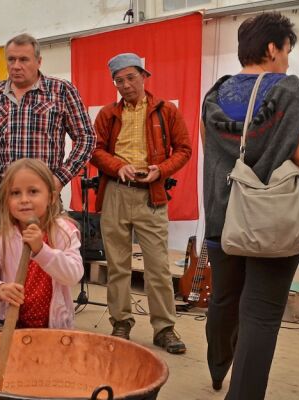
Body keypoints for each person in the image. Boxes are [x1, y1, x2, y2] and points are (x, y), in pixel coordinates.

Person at [201, 13, 299, 398]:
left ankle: (217, 366)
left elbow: (216, 153)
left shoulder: (214, 93)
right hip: (272, 219)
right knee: (261, 315)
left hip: (224, 218)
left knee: (224, 299)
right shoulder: (286, 88)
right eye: (287, 50)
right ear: (272, 48)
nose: (288, 59)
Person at [90, 53, 191, 354]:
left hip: (151, 194)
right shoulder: (107, 115)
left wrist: (162, 170)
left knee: (158, 266)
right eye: (119, 80)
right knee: (118, 265)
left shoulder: (166, 111)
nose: (125, 84)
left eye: (131, 77)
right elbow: (94, 149)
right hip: (116, 194)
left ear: (144, 76)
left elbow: (184, 148)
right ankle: (121, 322)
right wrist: (115, 166)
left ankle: (165, 329)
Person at [0, 33, 95, 225]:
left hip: (43, 191)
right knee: (4, 252)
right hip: (3, 190)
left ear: (39, 61)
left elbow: (86, 138)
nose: (16, 66)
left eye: (24, 59)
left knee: (45, 251)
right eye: (11, 59)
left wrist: (59, 178)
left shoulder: (61, 90)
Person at [0, 159, 83, 328]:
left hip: (56, 329)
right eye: (15, 193)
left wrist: (42, 250)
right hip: (15, 326)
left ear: (51, 197)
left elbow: (73, 275)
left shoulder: (63, 232)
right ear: (6, 199)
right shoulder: (4, 238)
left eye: (33, 191)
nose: (24, 199)